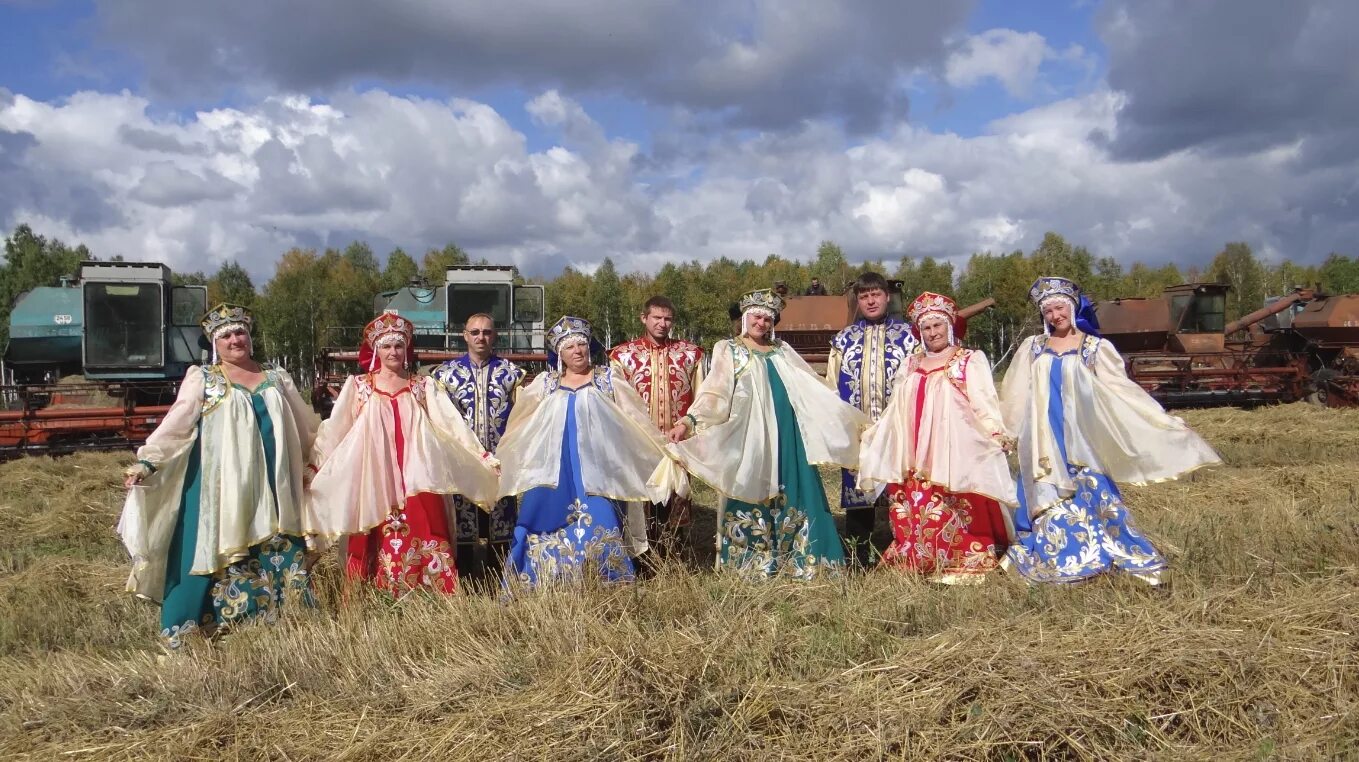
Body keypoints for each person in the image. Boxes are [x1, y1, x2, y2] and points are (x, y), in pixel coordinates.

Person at [118, 303, 318, 649]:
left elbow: (304, 425)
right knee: (208, 545)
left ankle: (282, 618)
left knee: (280, 541)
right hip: (221, 487)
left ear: (250, 337)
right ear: (215, 344)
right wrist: (148, 461)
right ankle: (201, 625)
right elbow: (177, 424)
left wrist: (316, 459)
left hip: (277, 486)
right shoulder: (204, 379)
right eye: (225, 335)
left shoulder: (276, 377)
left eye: (240, 332)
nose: (234, 339)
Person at [1000, 277, 1221, 584]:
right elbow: (1014, 394)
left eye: (1060, 307)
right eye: (1048, 310)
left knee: (1091, 489)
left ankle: (1105, 549)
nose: (1055, 316)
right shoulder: (1033, 348)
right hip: (1043, 438)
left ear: (1073, 307)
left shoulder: (1095, 348)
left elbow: (1122, 390)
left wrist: (1161, 418)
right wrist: (1004, 432)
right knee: (1046, 491)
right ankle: (1059, 552)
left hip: (1083, 437)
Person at [668, 289, 866, 580]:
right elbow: (715, 392)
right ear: (745, 318)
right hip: (752, 436)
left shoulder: (783, 350)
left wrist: (842, 415)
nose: (761, 323)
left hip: (790, 433)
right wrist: (688, 421)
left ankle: (805, 560)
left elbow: (811, 384)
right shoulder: (730, 349)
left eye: (766, 318)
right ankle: (753, 562)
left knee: (796, 489)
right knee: (750, 485)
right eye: (756, 317)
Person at [304, 311, 499, 596]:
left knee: (427, 527)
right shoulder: (359, 387)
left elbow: (451, 425)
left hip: (418, 478)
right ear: (376, 350)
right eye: (386, 345)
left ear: (406, 349)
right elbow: (335, 430)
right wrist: (316, 466)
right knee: (370, 529)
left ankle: (428, 589)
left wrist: (482, 457)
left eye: (398, 345)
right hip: (373, 476)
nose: (393, 351)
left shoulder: (423, 386)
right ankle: (372, 589)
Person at [496, 316, 687, 586]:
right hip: (552, 471)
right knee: (538, 519)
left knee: (602, 516)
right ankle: (540, 579)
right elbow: (519, 424)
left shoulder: (608, 380)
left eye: (582, 345)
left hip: (599, 472)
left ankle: (605, 580)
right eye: (570, 347)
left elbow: (637, 420)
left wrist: (664, 449)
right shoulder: (545, 384)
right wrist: (502, 456)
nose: (577, 351)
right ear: (559, 354)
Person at [857, 292, 1016, 583]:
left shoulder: (967, 360)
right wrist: (877, 432)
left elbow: (983, 400)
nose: (933, 333)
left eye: (938, 326)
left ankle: (959, 554)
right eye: (927, 327)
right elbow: (896, 406)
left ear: (950, 326)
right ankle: (916, 553)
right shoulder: (909, 364)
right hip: (914, 449)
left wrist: (994, 431)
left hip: (952, 448)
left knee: (953, 499)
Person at [825, 271, 918, 568]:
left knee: (900, 492)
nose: (870, 301)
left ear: (886, 297)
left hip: (898, 431)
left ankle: (904, 554)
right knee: (858, 494)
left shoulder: (909, 336)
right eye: (864, 296)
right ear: (858, 301)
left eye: (875, 294)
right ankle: (858, 556)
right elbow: (830, 385)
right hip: (858, 432)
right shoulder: (843, 340)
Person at [430, 313, 526, 581]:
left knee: (501, 517)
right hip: (463, 461)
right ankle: (466, 580)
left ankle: (499, 579)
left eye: (486, 332)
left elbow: (521, 416)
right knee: (463, 518)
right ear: (465, 335)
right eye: (475, 332)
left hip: (500, 459)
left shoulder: (511, 374)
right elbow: (440, 421)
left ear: (494, 335)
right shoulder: (445, 375)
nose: (480, 337)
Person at [608, 296, 705, 556]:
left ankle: (674, 552)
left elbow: (700, 399)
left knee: (675, 497)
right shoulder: (622, 356)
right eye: (657, 318)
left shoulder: (689, 355)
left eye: (668, 319)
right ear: (644, 318)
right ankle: (641, 554)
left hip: (676, 442)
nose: (662, 324)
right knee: (641, 496)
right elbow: (615, 402)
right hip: (638, 441)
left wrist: (690, 429)